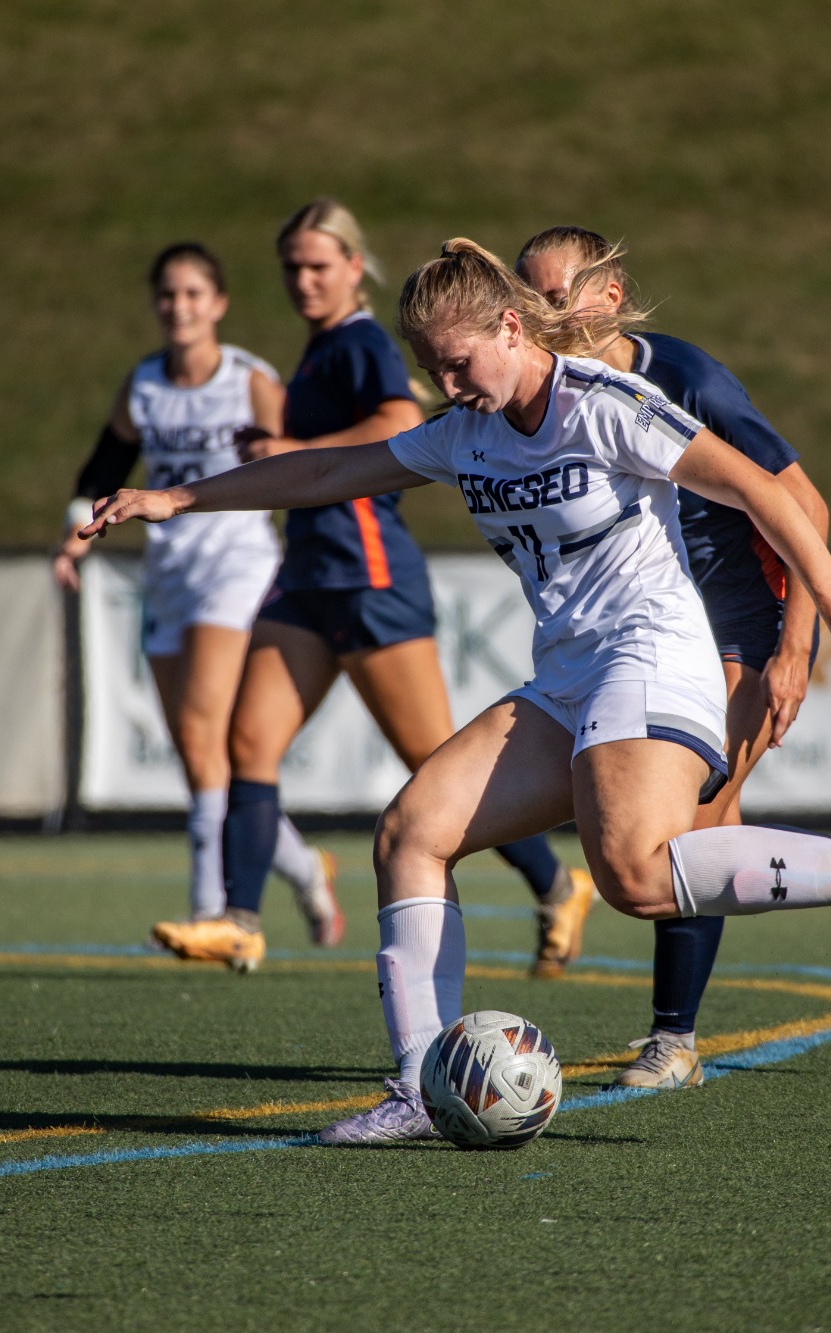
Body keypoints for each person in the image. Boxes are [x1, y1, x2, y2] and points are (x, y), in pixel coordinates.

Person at [83, 239, 831, 1145]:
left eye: (459, 362)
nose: (449, 383)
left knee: (631, 870)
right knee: (410, 833)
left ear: (511, 327)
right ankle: (420, 1090)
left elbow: (766, 495)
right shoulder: (464, 428)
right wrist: (177, 498)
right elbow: (321, 473)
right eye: (433, 370)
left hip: (654, 653)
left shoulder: (608, 405)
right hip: (566, 674)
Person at [150, 202, 591, 974]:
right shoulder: (319, 349)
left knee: (432, 762)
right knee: (247, 744)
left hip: (367, 573)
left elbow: (396, 418)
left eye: (319, 264)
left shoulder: (359, 343)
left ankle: (558, 884)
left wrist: (291, 446)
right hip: (307, 574)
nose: (303, 279)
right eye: (291, 266)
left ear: (355, 266)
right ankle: (238, 918)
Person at [515, 226, 829, 1092]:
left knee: (698, 819)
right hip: (646, 629)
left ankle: (672, 1040)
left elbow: (805, 504)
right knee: (672, 832)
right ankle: (677, 1033)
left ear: (610, 295)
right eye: (530, 297)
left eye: (558, 294)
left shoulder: (680, 374)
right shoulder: (553, 395)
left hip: (731, 625)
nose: (544, 313)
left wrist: (797, 642)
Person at [54, 242, 333, 928]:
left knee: (206, 733)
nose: (178, 307)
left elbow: (296, 466)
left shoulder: (248, 379)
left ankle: (214, 911)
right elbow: (101, 469)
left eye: (192, 294)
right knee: (197, 755)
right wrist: (75, 537)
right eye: (167, 295)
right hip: (169, 573)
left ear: (219, 304)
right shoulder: (144, 383)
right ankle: (301, 864)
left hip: (236, 566)